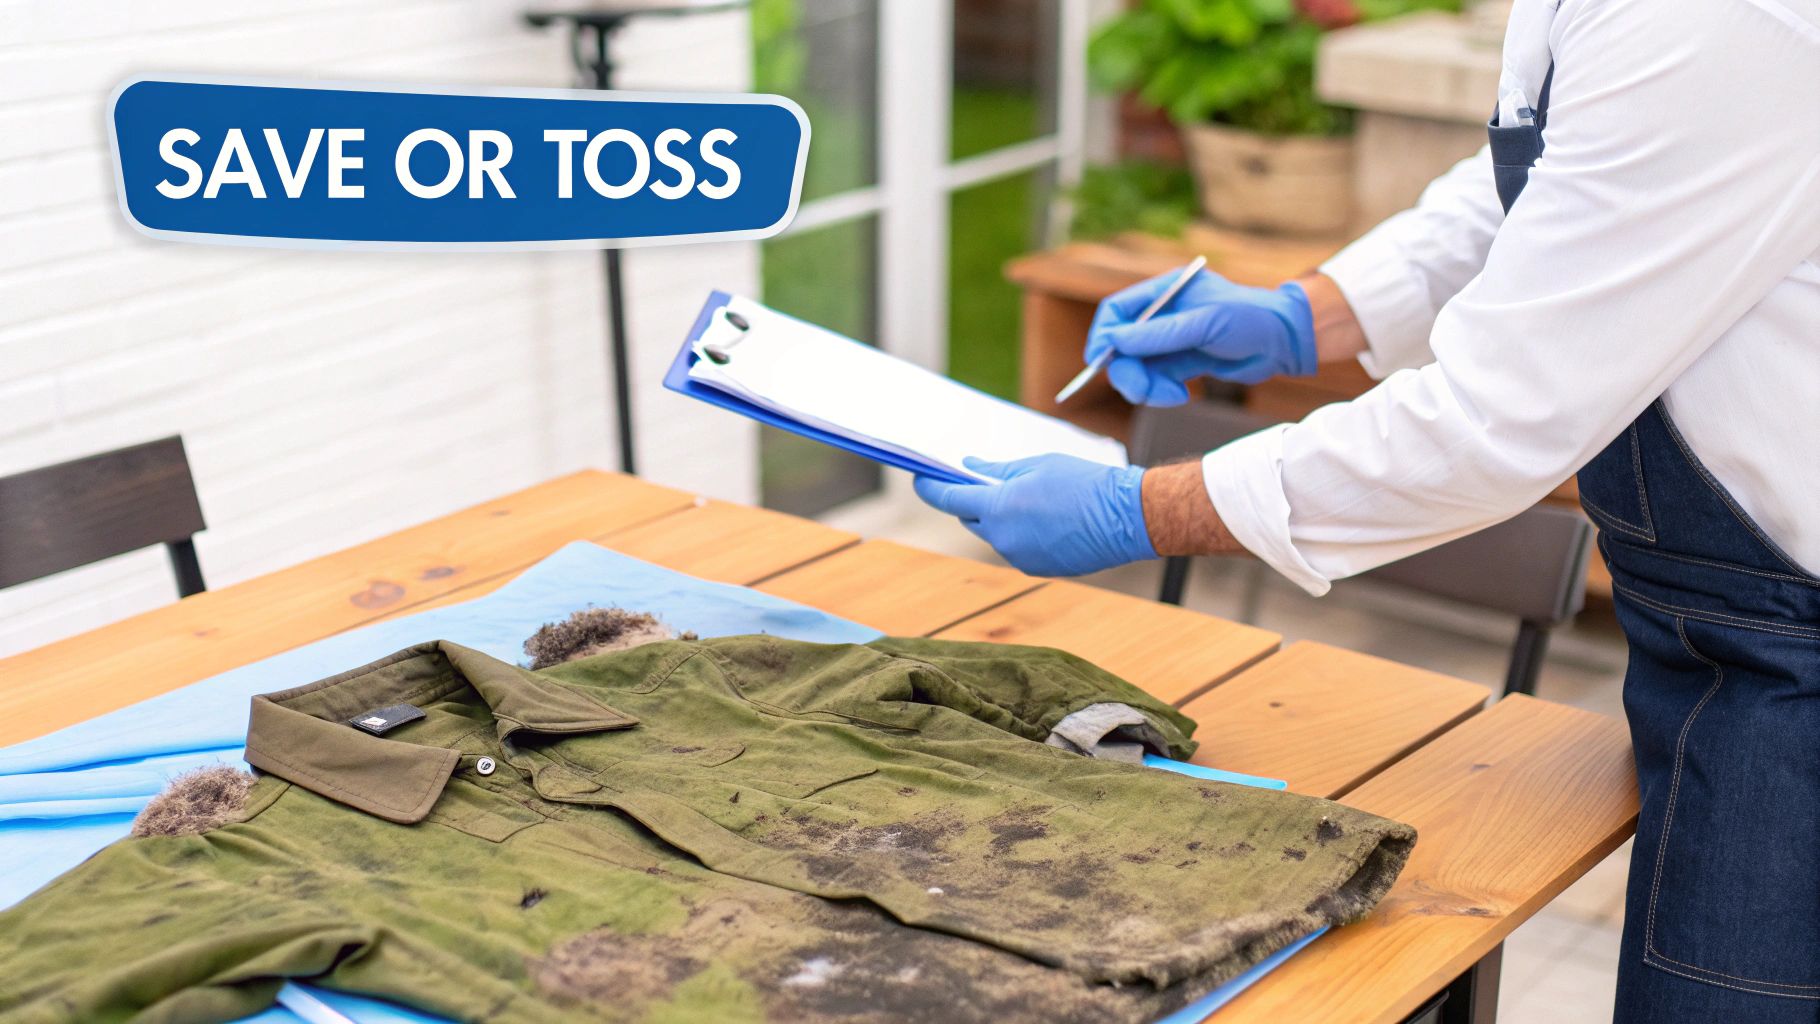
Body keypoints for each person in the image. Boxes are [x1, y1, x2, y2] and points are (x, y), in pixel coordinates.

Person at [914, 0, 1820, 1018]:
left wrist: (1146, 509)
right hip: (1720, 639)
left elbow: (1492, 420)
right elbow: (1551, 174)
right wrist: (1312, 314)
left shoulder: (1718, 20)